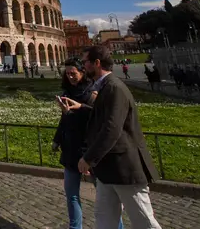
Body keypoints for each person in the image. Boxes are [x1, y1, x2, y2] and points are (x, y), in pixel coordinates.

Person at [66, 46, 161, 229]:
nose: (83, 66)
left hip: (123, 167)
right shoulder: (106, 87)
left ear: (97, 63)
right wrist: (82, 107)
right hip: (107, 168)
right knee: (104, 218)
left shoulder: (114, 87)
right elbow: (104, 116)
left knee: (144, 221)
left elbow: (112, 128)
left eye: (85, 61)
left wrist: (89, 158)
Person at [53, 59, 123, 229]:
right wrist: (57, 139)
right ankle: (75, 227)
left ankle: (117, 227)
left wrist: (80, 107)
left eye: (73, 73)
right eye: (67, 73)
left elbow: (101, 118)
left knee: (105, 198)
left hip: (90, 152)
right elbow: (65, 119)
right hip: (71, 149)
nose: (70, 76)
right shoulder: (67, 92)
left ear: (82, 72)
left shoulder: (93, 93)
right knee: (72, 196)